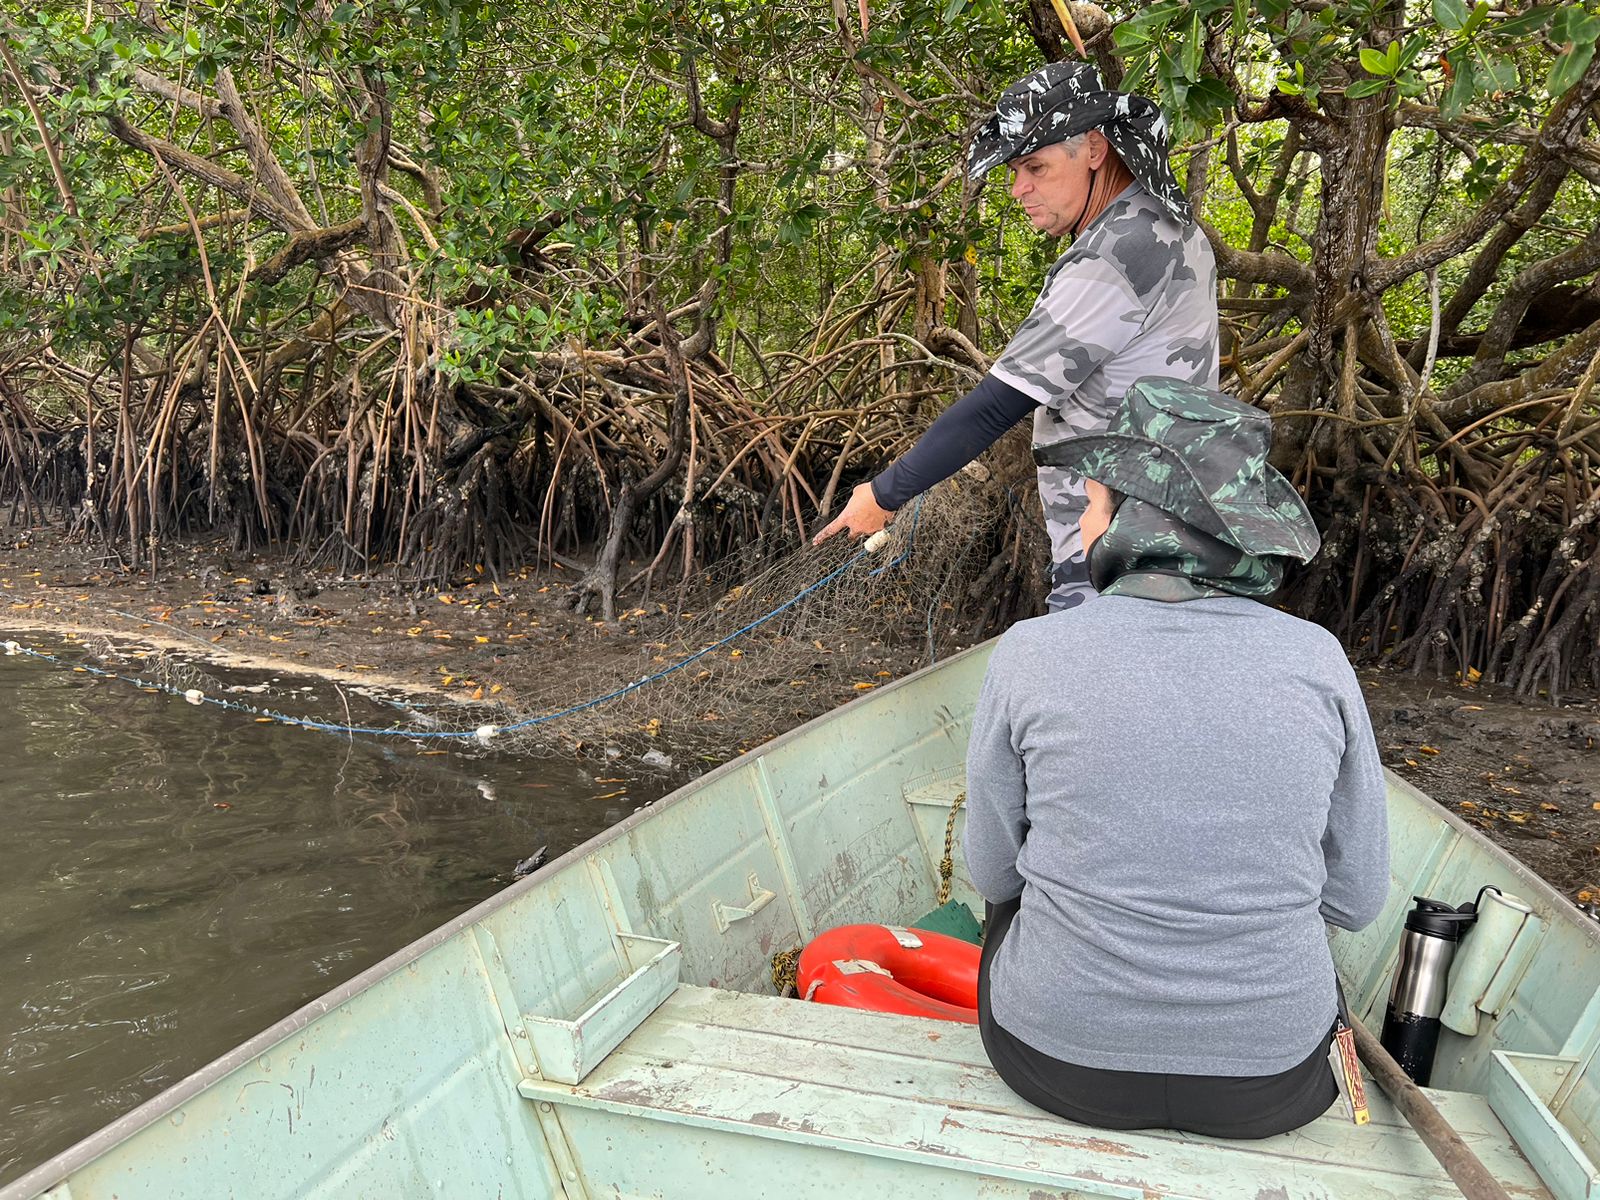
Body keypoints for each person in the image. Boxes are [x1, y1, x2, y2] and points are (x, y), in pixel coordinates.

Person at [962, 377, 1390, 1139]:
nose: (1083, 528)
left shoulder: (1029, 653)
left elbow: (995, 875)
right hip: (1271, 1084)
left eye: (1093, 504)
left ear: (1142, 518)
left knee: (1016, 889)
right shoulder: (1319, 661)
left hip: (1054, 1064)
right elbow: (1355, 902)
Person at [814, 62, 1218, 612]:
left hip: (1120, 545)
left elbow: (995, 406)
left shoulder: (1115, 253)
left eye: (1036, 166)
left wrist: (884, 495)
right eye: (1013, 170)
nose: (1018, 188)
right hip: (1167, 527)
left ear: (1095, 150)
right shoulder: (1160, 218)